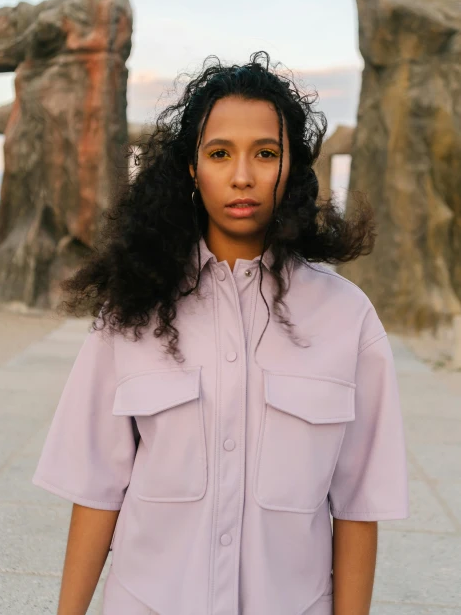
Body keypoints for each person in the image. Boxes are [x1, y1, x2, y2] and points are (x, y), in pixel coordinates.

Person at [32, 51, 409, 615]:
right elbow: (96, 491)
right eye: (219, 153)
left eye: (265, 153)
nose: (241, 176)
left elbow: (357, 510)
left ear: (292, 168)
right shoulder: (132, 313)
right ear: (192, 167)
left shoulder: (348, 318)